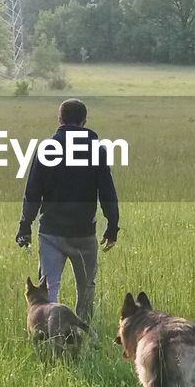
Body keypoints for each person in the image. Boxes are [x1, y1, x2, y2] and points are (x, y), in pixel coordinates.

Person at [15, 98, 120, 324]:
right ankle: (82, 336)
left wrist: (25, 226)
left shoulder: (46, 149)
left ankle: (49, 336)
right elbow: (107, 193)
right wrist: (112, 227)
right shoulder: (97, 151)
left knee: (48, 289)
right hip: (84, 233)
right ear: (84, 121)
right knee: (86, 289)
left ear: (60, 120)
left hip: (51, 232)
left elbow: (32, 192)